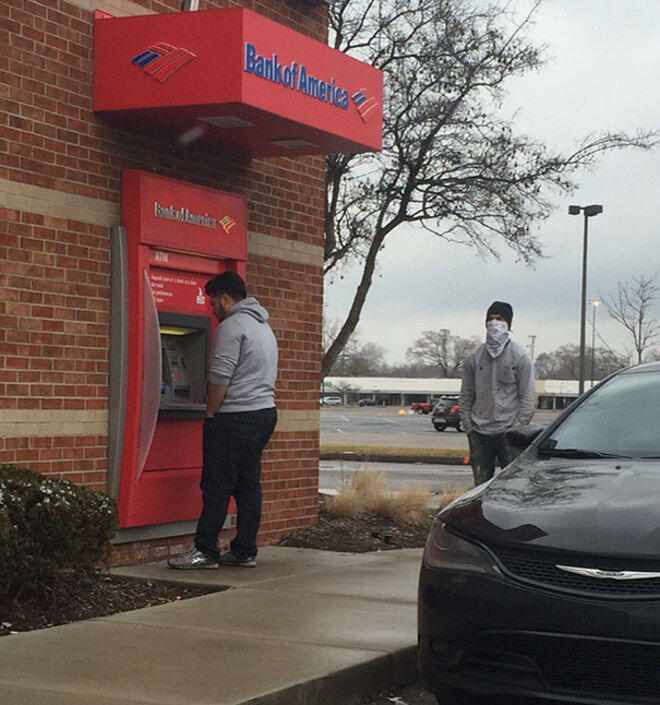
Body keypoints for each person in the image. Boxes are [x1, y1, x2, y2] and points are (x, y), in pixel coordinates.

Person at [168, 271, 278, 570]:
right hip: (264, 413)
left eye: (213, 299)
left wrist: (210, 414)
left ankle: (205, 552)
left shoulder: (232, 326)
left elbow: (219, 379)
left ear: (227, 298)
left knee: (216, 485)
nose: (211, 306)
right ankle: (245, 550)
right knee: (247, 485)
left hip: (235, 416)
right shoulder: (263, 326)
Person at [459, 301, 536, 486]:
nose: (494, 323)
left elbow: (528, 397)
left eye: (499, 319)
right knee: (480, 489)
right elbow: (466, 395)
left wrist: (516, 429)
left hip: (508, 434)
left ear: (508, 324)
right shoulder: (473, 358)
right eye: (490, 319)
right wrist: (469, 428)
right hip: (479, 433)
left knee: (511, 488)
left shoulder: (520, 357)